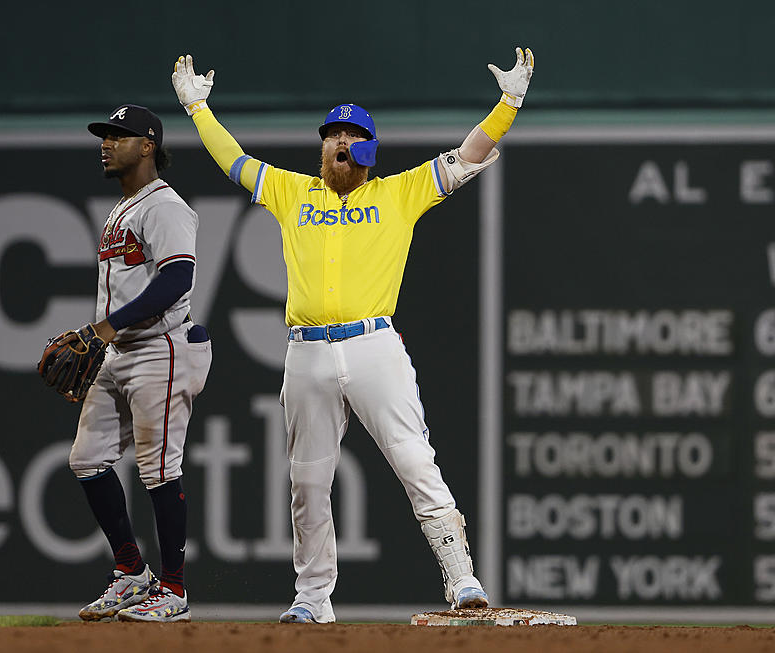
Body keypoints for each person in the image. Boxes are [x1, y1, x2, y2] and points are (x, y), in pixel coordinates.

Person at [172, 48, 533, 624]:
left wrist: (508, 104)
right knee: (307, 482)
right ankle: (313, 599)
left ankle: (462, 579)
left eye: (348, 135)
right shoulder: (294, 192)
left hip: (374, 346)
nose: (336, 143)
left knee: (415, 459)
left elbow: (469, 156)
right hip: (306, 350)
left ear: (366, 147)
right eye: (329, 136)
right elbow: (235, 161)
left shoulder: (396, 193)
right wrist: (198, 110)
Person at [60, 104, 211, 622]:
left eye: (118, 136)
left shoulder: (164, 206)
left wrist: (103, 328)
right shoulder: (122, 208)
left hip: (162, 347)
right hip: (121, 351)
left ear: (147, 146)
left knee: (158, 468)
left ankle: (173, 590)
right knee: (87, 458)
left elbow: (176, 280)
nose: (106, 143)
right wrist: (106, 336)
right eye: (104, 136)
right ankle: (131, 573)